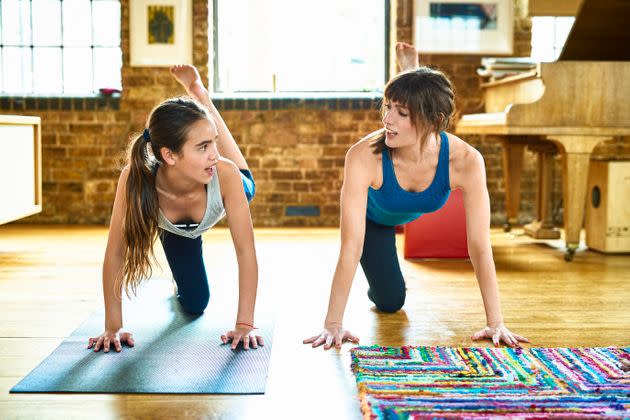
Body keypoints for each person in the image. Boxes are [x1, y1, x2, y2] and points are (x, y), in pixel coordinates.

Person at [303, 42, 529, 350]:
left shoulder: (465, 161)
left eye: (401, 112)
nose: (387, 119)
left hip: (418, 164)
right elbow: (350, 247)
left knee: (412, 128)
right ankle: (410, 74)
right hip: (373, 222)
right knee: (390, 302)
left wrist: (496, 322)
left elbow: (478, 245)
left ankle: (411, 73)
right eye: (387, 108)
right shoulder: (362, 156)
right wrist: (333, 324)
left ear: (434, 120)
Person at [88, 65, 263, 352]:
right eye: (203, 146)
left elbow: (246, 252)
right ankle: (200, 108)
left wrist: (245, 324)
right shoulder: (135, 179)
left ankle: (200, 95)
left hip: (231, 189)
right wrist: (113, 326)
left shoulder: (224, 172)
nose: (213, 154)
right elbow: (115, 252)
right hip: (178, 230)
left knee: (239, 173)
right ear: (168, 155)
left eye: (212, 143)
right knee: (195, 304)